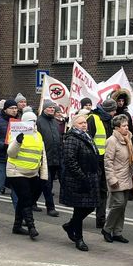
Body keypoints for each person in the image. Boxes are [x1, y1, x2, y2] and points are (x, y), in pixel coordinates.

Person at [60, 114, 100, 252]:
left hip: (90, 177)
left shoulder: (86, 136)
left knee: (90, 206)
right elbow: (70, 161)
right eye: (81, 123)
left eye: (85, 123)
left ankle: (70, 226)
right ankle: (79, 238)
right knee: (79, 209)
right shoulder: (72, 138)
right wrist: (82, 177)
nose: (84, 125)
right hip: (78, 180)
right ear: (74, 125)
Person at [7, 111, 48, 239]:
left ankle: (17, 225)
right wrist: (17, 142)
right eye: (30, 121)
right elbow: (11, 153)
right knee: (26, 198)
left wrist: (44, 175)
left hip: (32, 173)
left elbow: (43, 156)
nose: (32, 123)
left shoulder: (38, 135)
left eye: (34, 121)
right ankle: (31, 226)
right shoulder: (16, 133)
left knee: (24, 199)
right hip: (16, 171)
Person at [103, 114, 133, 244]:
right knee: (118, 203)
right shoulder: (112, 141)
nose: (126, 127)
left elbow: (130, 157)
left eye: (127, 125)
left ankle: (118, 232)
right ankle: (107, 229)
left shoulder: (128, 139)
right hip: (116, 178)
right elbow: (108, 162)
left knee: (122, 206)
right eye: (124, 126)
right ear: (117, 128)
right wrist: (111, 179)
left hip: (127, 176)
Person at [87, 98, 117, 229]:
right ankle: (78, 216)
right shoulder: (93, 118)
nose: (114, 113)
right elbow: (87, 140)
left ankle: (101, 219)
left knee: (103, 190)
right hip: (94, 160)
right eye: (113, 110)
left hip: (106, 160)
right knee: (92, 190)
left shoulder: (111, 121)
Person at [34, 101, 61, 217]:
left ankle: (31, 202)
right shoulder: (39, 122)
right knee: (47, 183)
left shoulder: (55, 122)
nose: (52, 109)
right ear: (44, 109)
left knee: (41, 183)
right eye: (49, 107)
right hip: (44, 157)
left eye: (53, 108)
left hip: (55, 157)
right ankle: (50, 207)